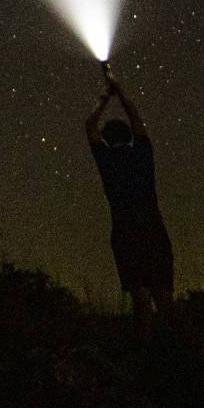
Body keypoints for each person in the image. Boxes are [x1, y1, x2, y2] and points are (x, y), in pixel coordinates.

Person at [86, 75, 173, 333]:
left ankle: (144, 353)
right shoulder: (143, 153)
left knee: (140, 298)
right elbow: (137, 120)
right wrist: (121, 95)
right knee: (164, 296)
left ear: (107, 140)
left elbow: (89, 126)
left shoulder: (107, 161)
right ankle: (176, 353)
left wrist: (104, 99)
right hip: (154, 229)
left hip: (126, 233)